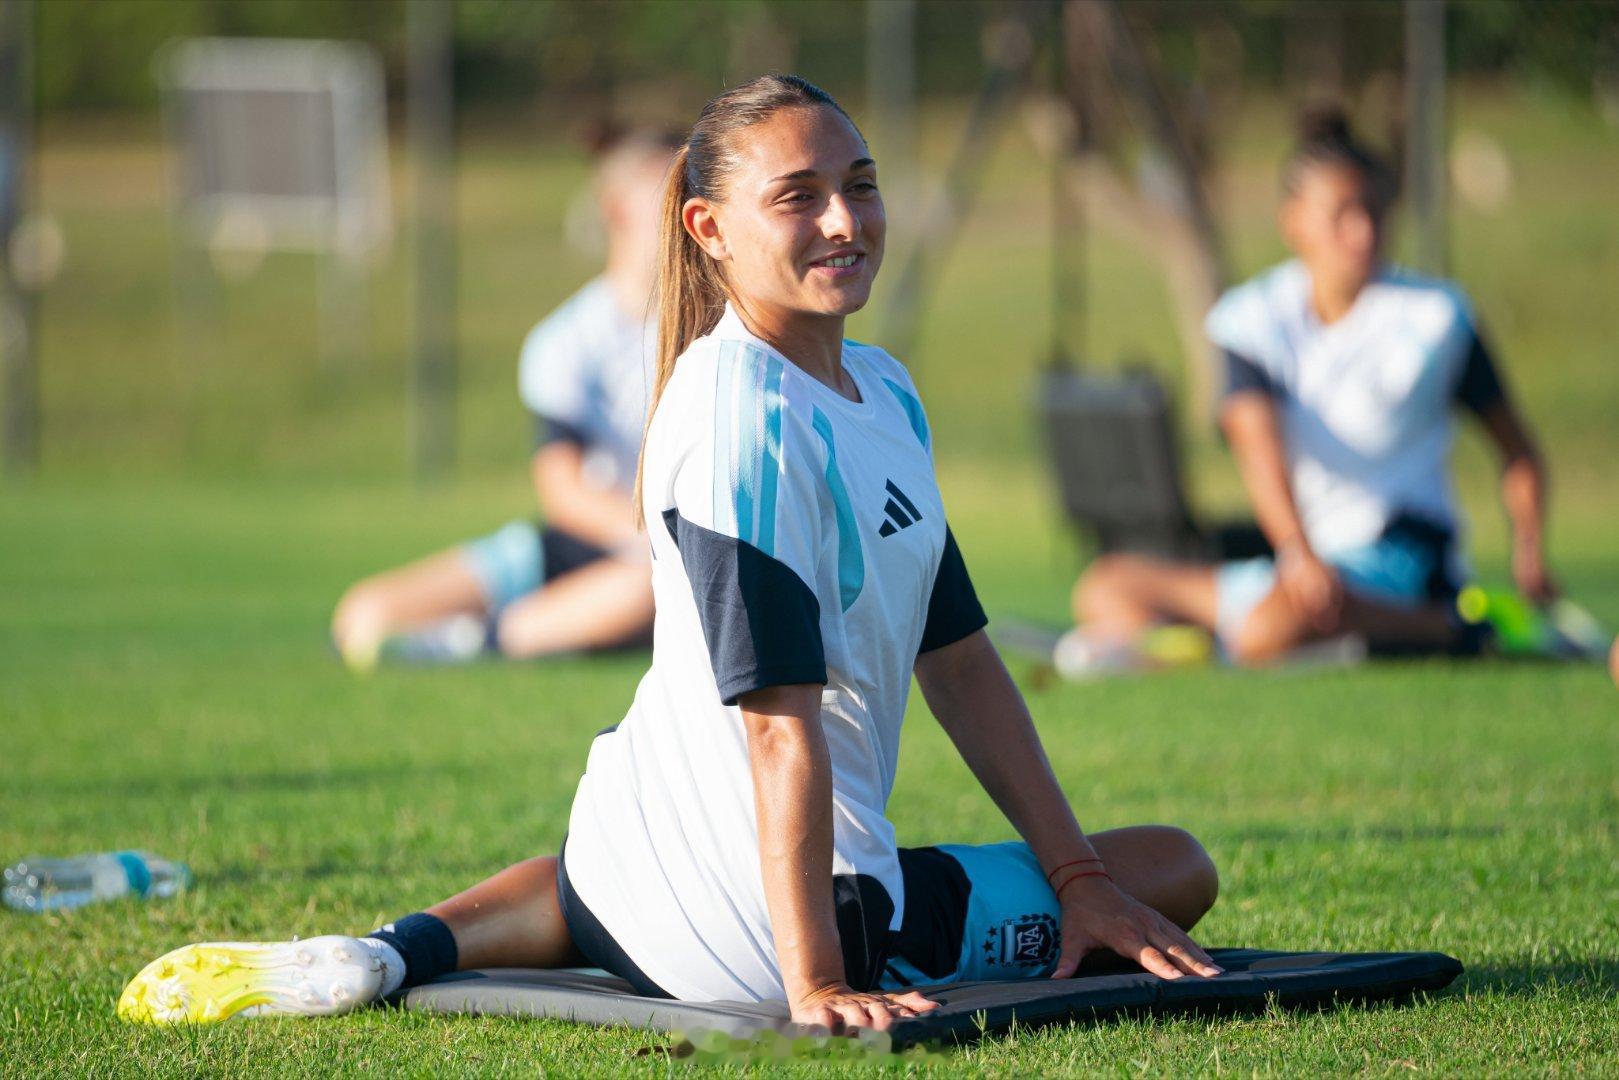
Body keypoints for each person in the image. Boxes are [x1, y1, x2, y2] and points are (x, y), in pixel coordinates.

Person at [119, 75, 1220, 1035]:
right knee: (1172, 868)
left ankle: (393, 949)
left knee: (574, 882)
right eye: (797, 196)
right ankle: (440, 946)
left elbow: (962, 659)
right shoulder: (742, 411)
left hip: (620, 860)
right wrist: (815, 981)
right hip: (783, 929)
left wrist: (1076, 876)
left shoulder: (881, 389)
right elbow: (779, 728)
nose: (843, 218)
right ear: (707, 228)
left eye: (862, 184)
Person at [1060, 106, 1555, 673]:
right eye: (1343, 214)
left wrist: (1530, 552)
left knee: (1268, 630)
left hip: (1405, 557)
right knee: (1106, 587)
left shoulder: (1436, 317)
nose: (1363, 232)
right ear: (1292, 220)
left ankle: (1463, 626)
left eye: (1373, 212)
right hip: (1303, 559)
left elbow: (1518, 451)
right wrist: (1297, 552)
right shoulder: (1252, 319)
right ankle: (1198, 643)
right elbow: (1257, 447)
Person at [330, 130, 677, 671]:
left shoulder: (713, 331)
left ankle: (479, 641)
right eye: (667, 191)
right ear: (616, 210)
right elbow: (562, 490)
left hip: (672, 554)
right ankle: (493, 625)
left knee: (649, 587)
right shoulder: (565, 339)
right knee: (365, 613)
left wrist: (674, 542)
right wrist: (648, 533)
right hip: (581, 542)